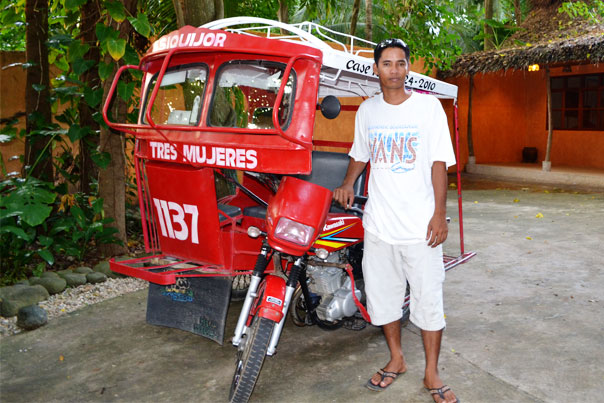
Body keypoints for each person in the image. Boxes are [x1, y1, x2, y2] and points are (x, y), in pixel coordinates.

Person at [333, 38, 459, 403]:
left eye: (400, 63)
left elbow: (439, 164)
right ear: (376, 69)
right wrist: (346, 183)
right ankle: (396, 359)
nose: (393, 70)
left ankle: (432, 372)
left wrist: (439, 214)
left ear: (408, 68)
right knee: (384, 298)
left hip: (421, 227)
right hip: (379, 225)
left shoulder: (428, 109)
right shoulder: (368, 111)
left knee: (428, 299)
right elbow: (360, 154)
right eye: (386, 63)